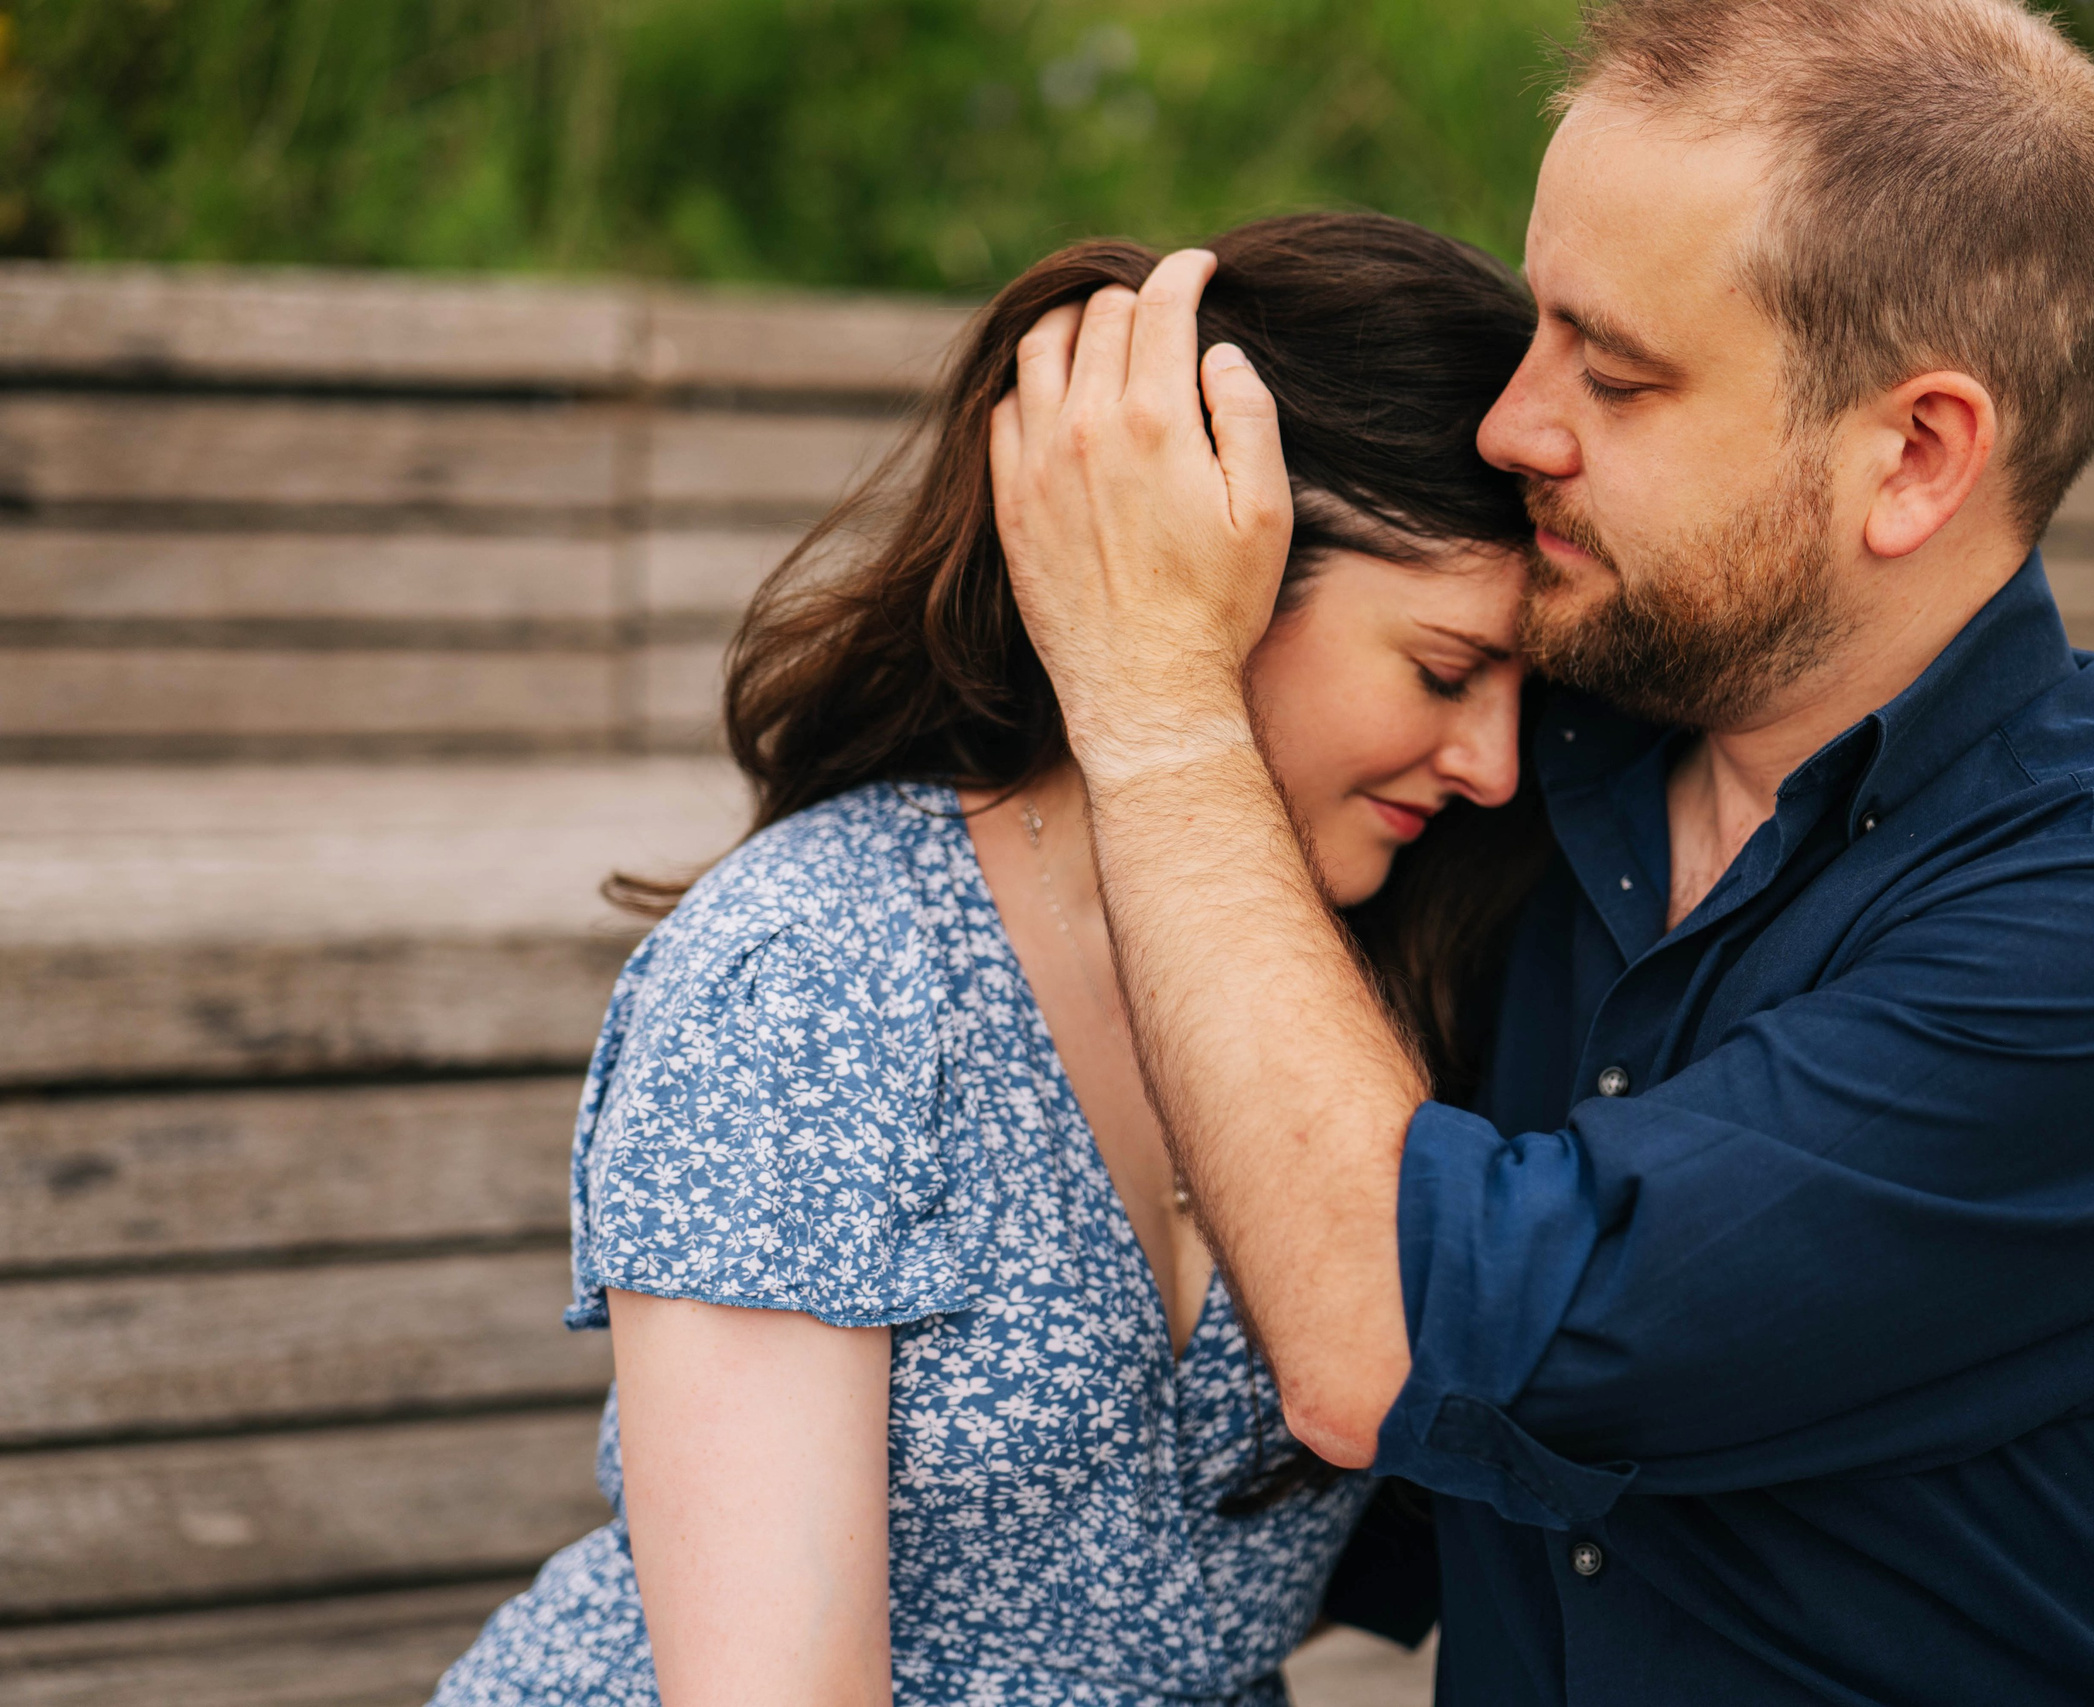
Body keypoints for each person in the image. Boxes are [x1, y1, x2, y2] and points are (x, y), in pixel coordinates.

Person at [989, 1, 2094, 1703]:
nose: (1515, 425)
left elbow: (1390, 1337)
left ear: (1915, 457)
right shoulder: (1528, 767)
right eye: (1540, 323)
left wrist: (1153, 693)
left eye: (1615, 373)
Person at [428, 211, 1551, 1707]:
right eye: (1445, 669)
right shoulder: (817, 974)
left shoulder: (1394, 973)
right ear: (1201, 570)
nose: (1495, 762)